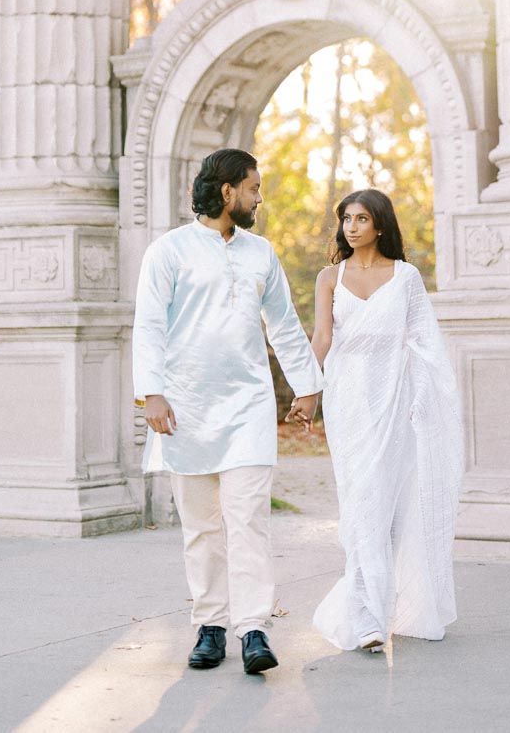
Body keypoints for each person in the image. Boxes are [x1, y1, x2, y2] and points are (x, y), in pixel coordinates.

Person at [132, 148, 323, 675]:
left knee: (248, 521)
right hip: (185, 406)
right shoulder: (168, 251)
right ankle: (210, 626)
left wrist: (306, 387)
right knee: (201, 526)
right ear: (227, 192)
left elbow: (283, 323)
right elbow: (148, 324)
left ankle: (254, 629)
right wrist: (151, 392)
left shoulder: (261, 253)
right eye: (254, 189)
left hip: (248, 406)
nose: (260, 198)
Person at [311, 189, 462, 652]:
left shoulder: (406, 277)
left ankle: (371, 618)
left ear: (380, 225)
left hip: (396, 403)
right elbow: (321, 338)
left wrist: (424, 400)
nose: (351, 227)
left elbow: (425, 343)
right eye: (346, 219)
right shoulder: (329, 278)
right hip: (347, 402)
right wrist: (307, 390)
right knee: (359, 503)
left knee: (384, 508)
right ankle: (366, 614)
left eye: (361, 218)